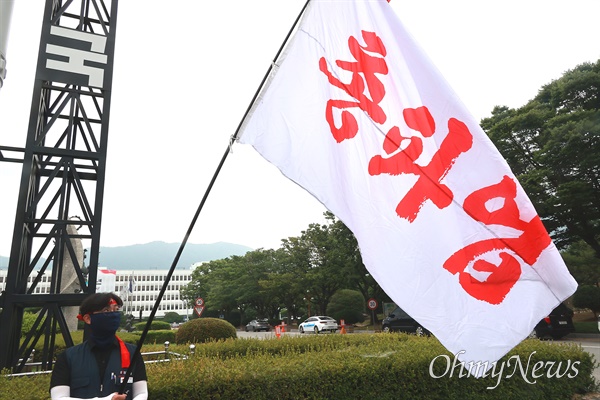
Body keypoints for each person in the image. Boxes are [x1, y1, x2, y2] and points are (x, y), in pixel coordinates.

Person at [50, 293, 148, 400]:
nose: (113, 315)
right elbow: (58, 397)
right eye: (106, 311)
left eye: (115, 310)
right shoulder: (68, 357)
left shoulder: (132, 353)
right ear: (87, 318)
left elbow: (142, 392)